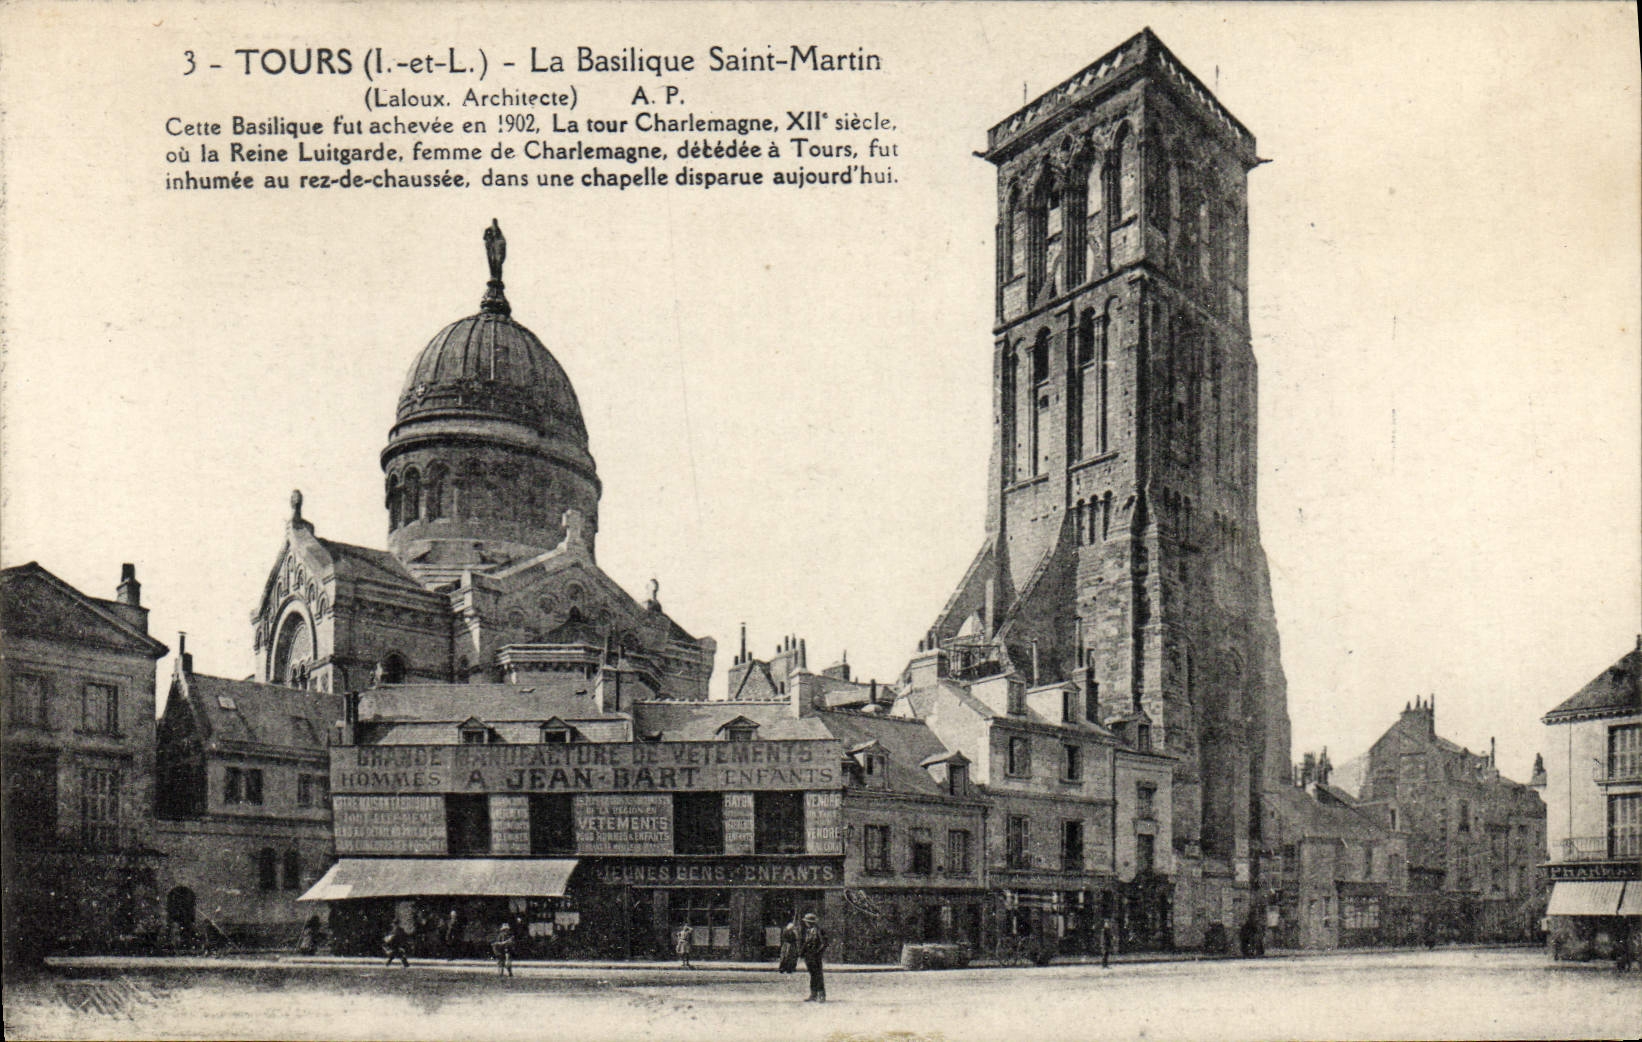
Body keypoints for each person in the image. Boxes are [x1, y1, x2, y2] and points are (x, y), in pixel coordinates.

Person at [800, 912, 828, 1002]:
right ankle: (813, 994)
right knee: (813, 975)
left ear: (810, 922)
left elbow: (824, 944)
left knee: (818, 975)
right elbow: (806, 943)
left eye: (807, 921)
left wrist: (817, 953)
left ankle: (821, 995)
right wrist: (802, 953)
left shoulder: (819, 930)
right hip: (809, 956)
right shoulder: (808, 931)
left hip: (815, 956)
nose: (805, 923)